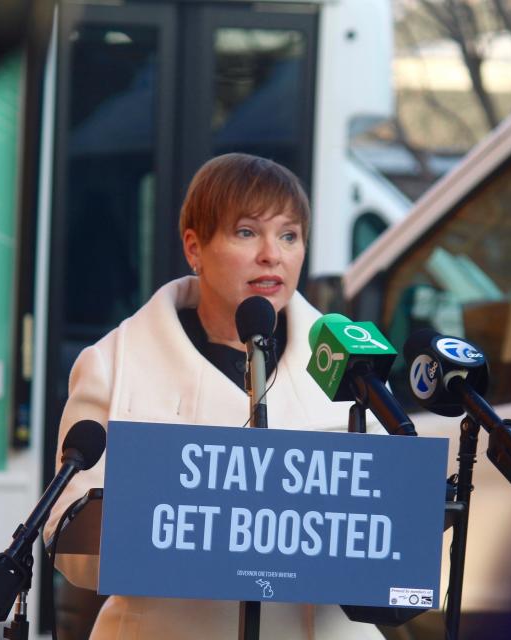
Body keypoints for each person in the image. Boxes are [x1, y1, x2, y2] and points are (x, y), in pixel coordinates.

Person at [42, 153, 380, 639]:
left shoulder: (349, 358)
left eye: (289, 235)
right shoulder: (114, 363)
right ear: (194, 248)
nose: (273, 254)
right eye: (247, 232)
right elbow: (69, 540)